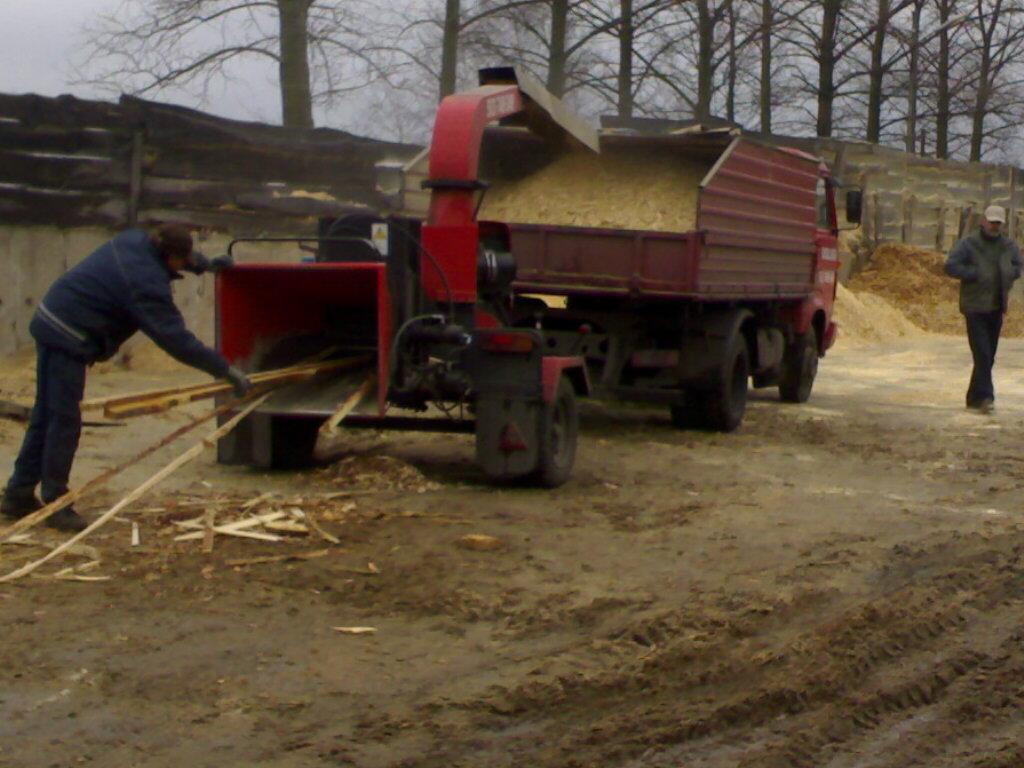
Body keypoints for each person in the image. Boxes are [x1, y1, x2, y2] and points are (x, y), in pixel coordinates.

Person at [1, 224, 252, 532]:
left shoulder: (135, 239)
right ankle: (56, 504)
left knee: (45, 414)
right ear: (169, 256)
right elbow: (176, 339)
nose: (185, 264)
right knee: (63, 420)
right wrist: (224, 370)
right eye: (183, 259)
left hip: (51, 317)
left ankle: (18, 494)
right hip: (69, 334)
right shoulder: (145, 285)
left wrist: (206, 265)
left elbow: (176, 256)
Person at [944, 204, 1022, 414]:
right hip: (974, 306)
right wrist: (974, 273)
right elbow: (950, 266)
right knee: (983, 354)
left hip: (996, 306)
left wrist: (1009, 273)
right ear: (983, 221)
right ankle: (986, 396)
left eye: (998, 223)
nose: (994, 226)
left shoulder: (1007, 246)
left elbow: (1018, 266)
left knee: (989, 356)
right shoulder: (969, 244)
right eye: (991, 221)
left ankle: (974, 397)